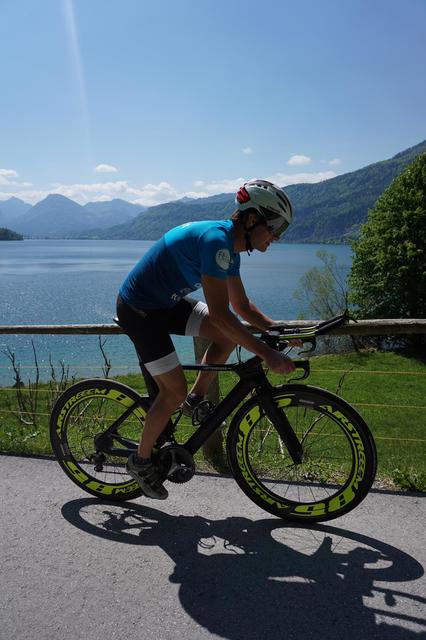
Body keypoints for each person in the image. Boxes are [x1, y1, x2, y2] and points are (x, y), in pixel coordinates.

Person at [117, 179, 295, 499]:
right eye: (275, 226)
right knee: (172, 391)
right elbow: (221, 315)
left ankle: (194, 402)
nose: (277, 236)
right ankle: (140, 462)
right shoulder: (216, 241)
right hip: (140, 309)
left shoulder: (230, 246)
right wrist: (268, 354)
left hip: (166, 302)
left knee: (225, 339)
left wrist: (274, 328)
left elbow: (240, 306)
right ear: (252, 219)